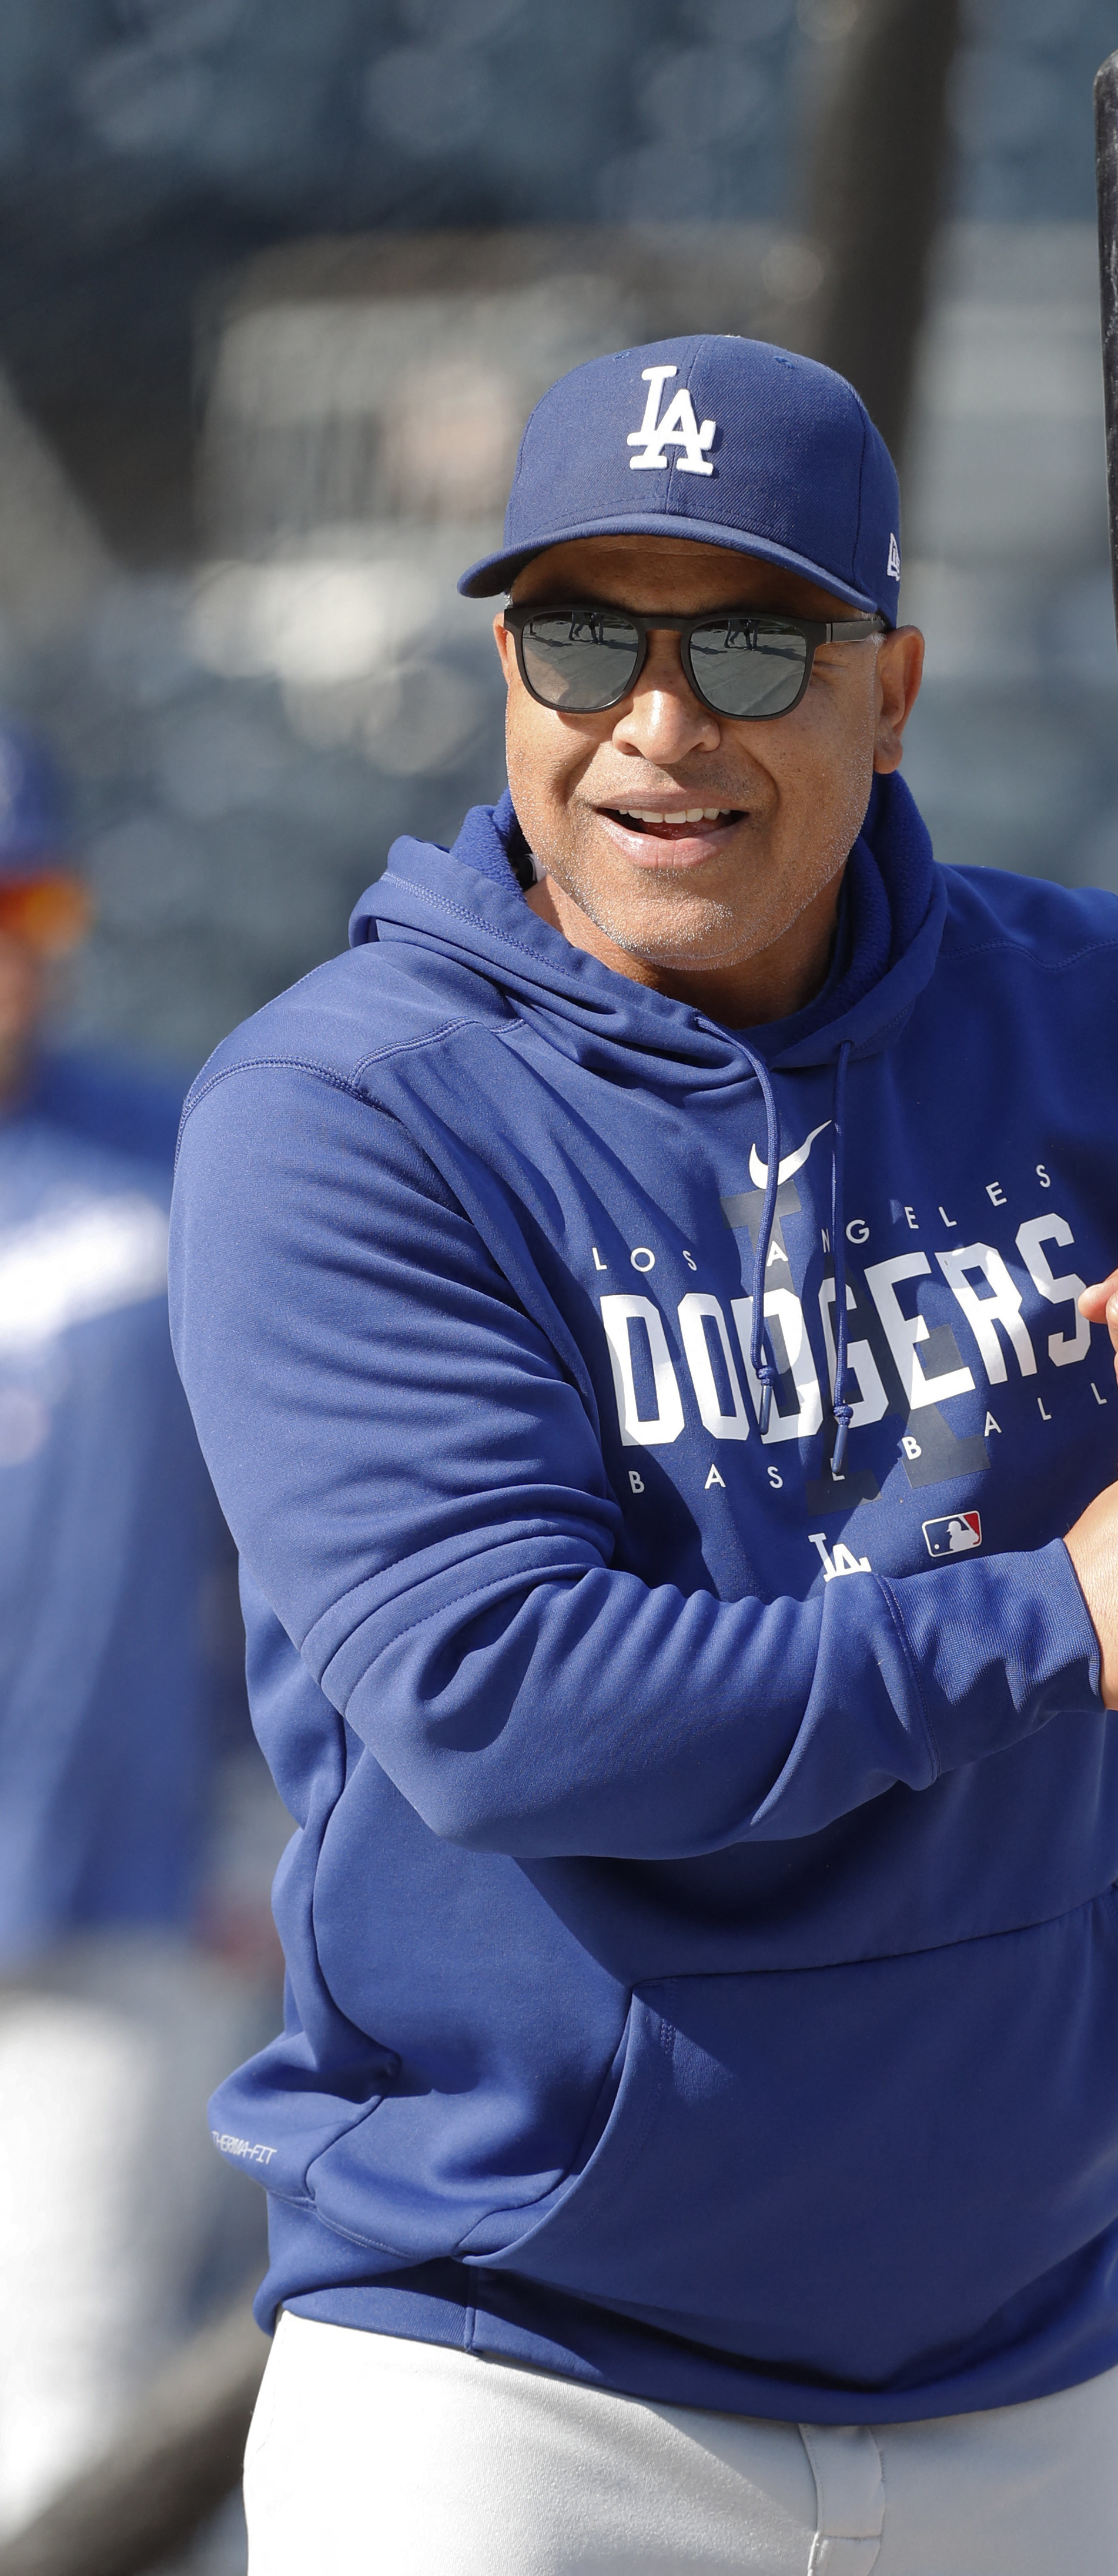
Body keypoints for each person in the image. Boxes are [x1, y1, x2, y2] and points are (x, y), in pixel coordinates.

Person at [169, 338, 1118, 2574]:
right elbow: (500, 1706)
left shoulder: (1083, 1012)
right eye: (585, 635)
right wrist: (1059, 1616)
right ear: (504, 665)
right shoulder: (348, 1117)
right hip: (508, 2384)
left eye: (754, 641)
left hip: (1019, 2372)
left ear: (888, 692)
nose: (658, 726)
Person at [0, 721, 250, 2534]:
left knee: (64, 2413)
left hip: (102, 1905)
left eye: (33, 903)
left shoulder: (181, 1161)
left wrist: (269, 1827)